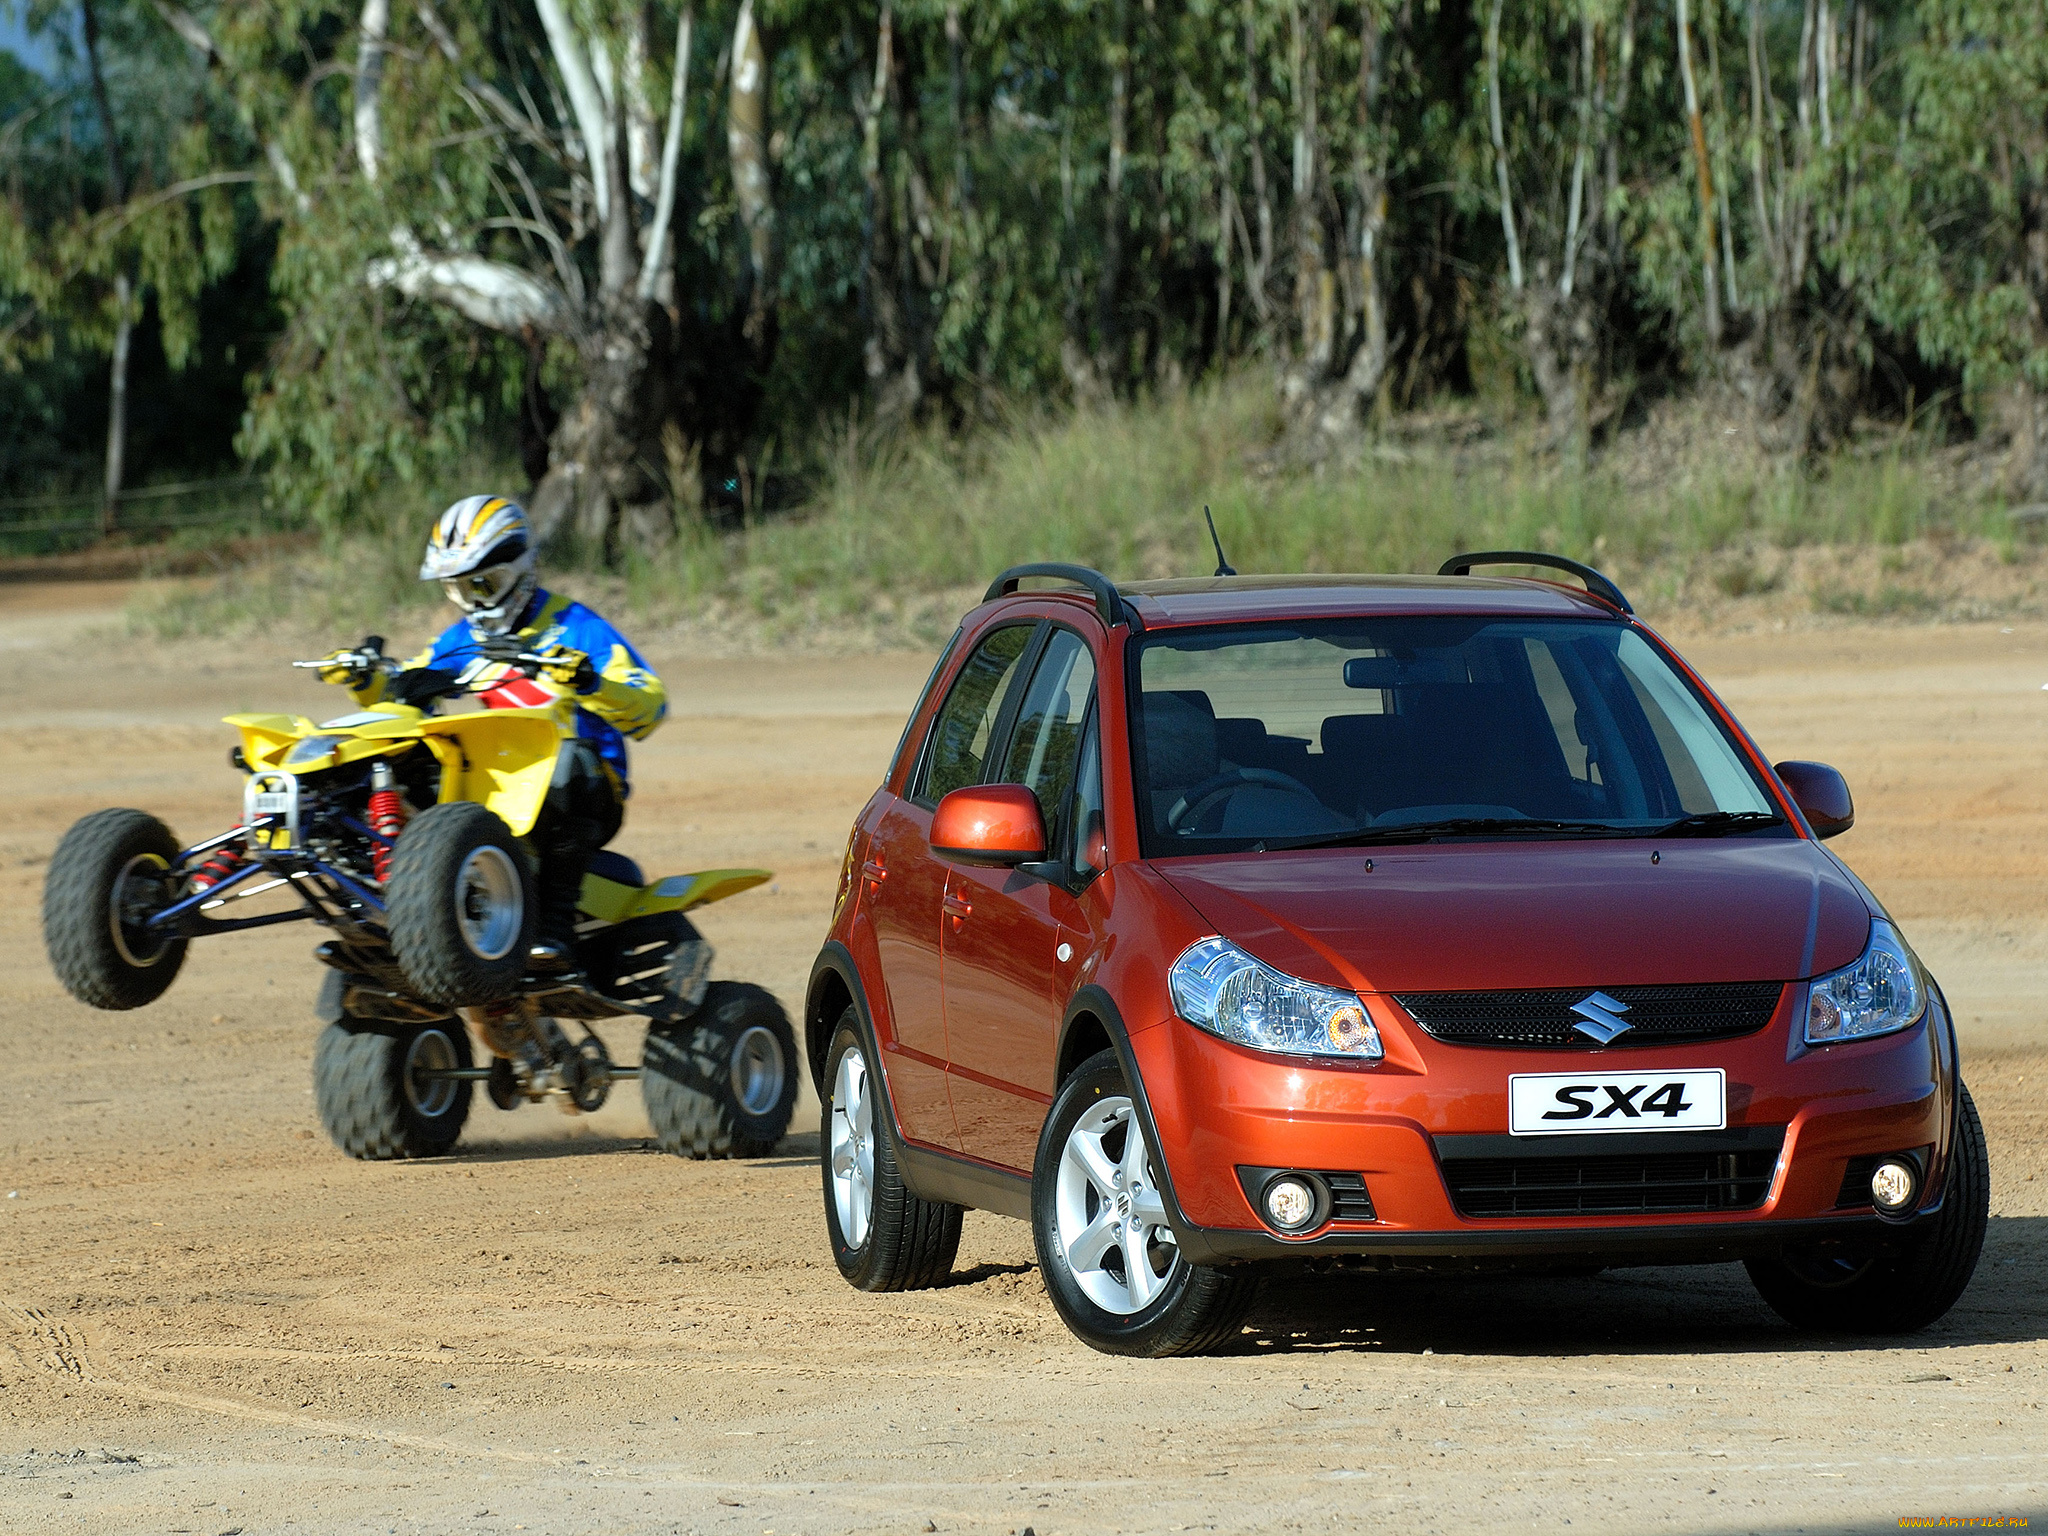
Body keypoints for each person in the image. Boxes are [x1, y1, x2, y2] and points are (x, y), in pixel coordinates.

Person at [317, 495, 667, 973]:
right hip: (498, 784)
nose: (473, 601)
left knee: (569, 761)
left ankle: (554, 927)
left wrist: (591, 682)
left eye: (484, 584)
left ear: (520, 571)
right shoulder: (460, 639)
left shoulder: (577, 628)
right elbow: (405, 699)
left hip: (585, 789)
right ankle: (391, 903)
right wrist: (366, 682)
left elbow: (651, 706)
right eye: (458, 589)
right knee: (399, 756)